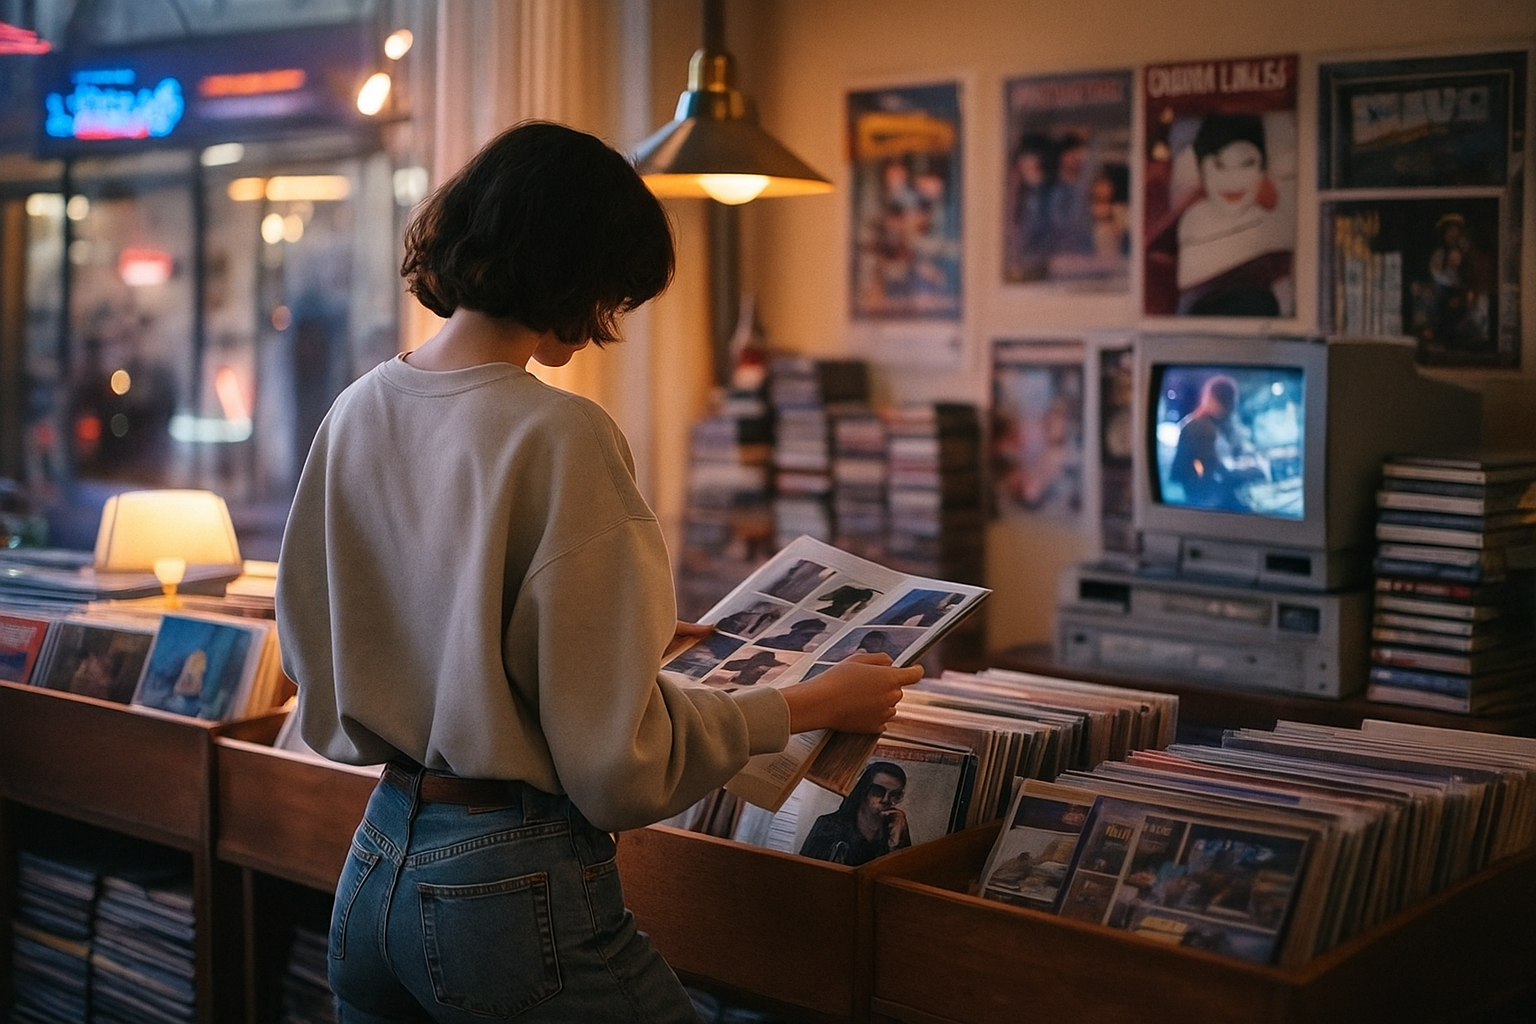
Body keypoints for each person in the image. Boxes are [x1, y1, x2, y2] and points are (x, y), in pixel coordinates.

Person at [274, 120, 923, 1024]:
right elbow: (616, 771)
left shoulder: (356, 410)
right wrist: (820, 704)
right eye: (612, 290)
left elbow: (331, 642)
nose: (609, 320)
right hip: (505, 881)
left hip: (375, 862)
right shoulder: (559, 434)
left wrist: (606, 646)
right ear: (575, 269)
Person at [1174, 112, 1292, 316]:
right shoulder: (1193, 220)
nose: (1233, 180)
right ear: (1202, 171)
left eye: (1247, 164)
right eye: (1219, 165)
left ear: (1261, 170)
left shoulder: (1274, 223)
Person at [1167, 374, 1266, 511]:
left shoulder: (1220, 423)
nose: (1230, 408)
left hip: (1214, 495)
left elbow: (1237, 449)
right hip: (1205, 500)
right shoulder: (1199, 426)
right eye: (1228, 403)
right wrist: (1252, 472)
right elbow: (1215, 471)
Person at [798, 761, 913, 866]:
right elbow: (804, 870)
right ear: (863, 791)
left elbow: (904, 875)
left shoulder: (897, 827)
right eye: (877, 791)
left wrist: (896, 841)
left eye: (895, 794)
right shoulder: (828, 825)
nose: (886, 800)